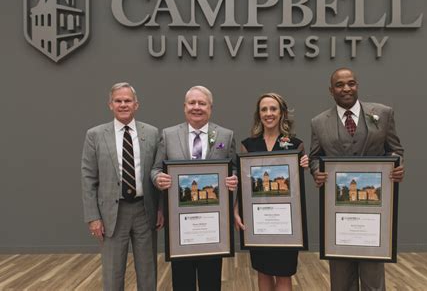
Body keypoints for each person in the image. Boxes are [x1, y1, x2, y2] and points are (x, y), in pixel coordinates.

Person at [309, 68, 405, 291]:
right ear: (331, 90)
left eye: (351, 83)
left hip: (374, 212)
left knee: (373, 277)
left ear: (357, 86)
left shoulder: (383, 113)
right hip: (338, 212)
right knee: (341, 279)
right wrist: (316, 171)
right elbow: (315, 157)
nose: (346, 89)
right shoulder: (318, 122)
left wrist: (397, 165)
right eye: (340, 85)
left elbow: (395, 149)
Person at [151, 85, 238, 291]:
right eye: (192, 103)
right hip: (180, 222)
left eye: (202, 103)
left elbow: (233, 167)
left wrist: (233, 177)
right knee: (182, 280)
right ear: (184, 107)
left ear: (210, 107)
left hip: (213, 221)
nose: (196, 107)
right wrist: (158, 179)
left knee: (211, 278)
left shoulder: (226, 135)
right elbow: (155, 169)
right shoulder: (168, 134)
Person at [81, 82, 163, 291]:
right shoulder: (95, 135)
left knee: (147, 270)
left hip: (145, 210)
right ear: (110, 105)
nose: (123, 104)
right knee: (112, 272)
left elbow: (159, 172)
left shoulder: (152, 133)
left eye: (128, 100)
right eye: (118, 101)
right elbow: (88, 178)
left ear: (137, 104)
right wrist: (93, 217)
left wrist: (161, 208)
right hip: (111, 214)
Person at [234, 93, 309, 291]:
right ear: (258, 115)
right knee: (263, 271)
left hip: (286, 222)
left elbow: (296, 182)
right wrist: (236, 209)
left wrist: (304, 164)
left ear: (282, 113)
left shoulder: (296, 145)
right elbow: (243, 184)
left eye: (273, 109)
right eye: (264, 109)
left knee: (284, 273)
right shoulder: (248, 145)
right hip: (259, 220)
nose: (269, 113)